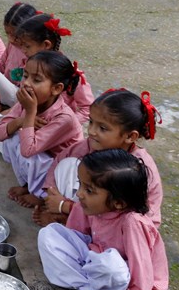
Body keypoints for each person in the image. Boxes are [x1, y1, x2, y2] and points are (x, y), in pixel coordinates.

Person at [38, 149, 168, 290]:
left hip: (123, 281)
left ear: (119, 203)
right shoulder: (95, 207)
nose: (79, 194)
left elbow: (142, 281)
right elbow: (75, 238)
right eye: (81, 185)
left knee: (109, 265)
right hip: (97, 261)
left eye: (89, 190)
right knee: (49, 234)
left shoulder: (132, 223)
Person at [36, 89, 163, 228]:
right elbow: (58, 163)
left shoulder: (138, 167)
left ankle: (75, 222)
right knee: (68, 165)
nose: (91, 131)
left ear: (130, 137)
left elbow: (138, 215)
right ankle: (67, 216)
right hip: (89, 208)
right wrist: (50, 195)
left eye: (102, 128)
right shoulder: (88, 146)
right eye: (91, 122)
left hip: (116, 226)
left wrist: (64, 206)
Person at [0, 51, 85, 207]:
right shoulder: (27, 101)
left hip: (63, 173)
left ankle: (42, 194)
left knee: (26, 147)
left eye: (37, 79)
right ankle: (28, 184)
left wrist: (30, 113)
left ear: (56, 88)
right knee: (9, 134)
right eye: (25, 76)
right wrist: (21, 121)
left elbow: (28, 151)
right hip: (39, 158)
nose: (26, 83)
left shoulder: (64, 117)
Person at [14, 13, 94, 122]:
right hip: (30, 115)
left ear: (46, 45)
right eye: (26, 76)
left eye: (27, 46)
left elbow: (88, 109)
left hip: (52, 126)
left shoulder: (71, 73)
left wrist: (61, 124)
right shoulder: (31, 64)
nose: (23, 50)